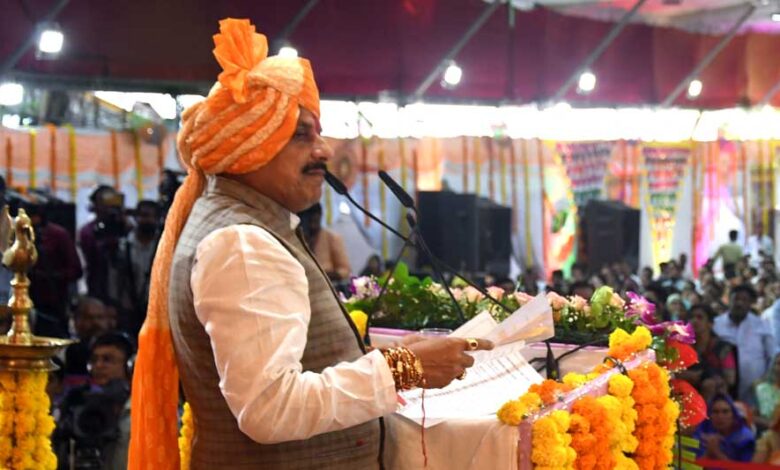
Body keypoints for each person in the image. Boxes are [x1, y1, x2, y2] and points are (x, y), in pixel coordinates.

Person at [129, 18, 492, 469]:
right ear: (247, 144)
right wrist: (402, 369)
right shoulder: (242, 243)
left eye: (318, 133)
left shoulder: (248, 226)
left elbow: (286, 371)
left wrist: (389, 358)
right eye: (301, 135)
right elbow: (270, 407)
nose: (323, 150)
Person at [25, 202, 83, 338]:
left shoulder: (58, 235)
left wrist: (50, 276)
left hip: (53, 301)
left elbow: (75, 270)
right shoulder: (18, 234)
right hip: (25, 299)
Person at [714, 284, 777, 404]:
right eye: (736, 299)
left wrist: (765, 380)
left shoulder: (761, 324)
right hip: (723, 387)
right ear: (729, 300)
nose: (739, 303)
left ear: (750, 303)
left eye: (744, 300)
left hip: (754, 389)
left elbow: (772, 355)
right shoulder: (717, 324)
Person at [107, 200, 162, 336]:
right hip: (128, 308)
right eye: (143, 215)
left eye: (150, 216)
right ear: (136, 217)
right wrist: (114, 304)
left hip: (157, 308)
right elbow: (114, 277)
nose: (147, 220)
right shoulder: (123, 245)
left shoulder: (164, 244)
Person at [78, 186, 130, 301]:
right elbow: (93, 255)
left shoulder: (125, 227)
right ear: (95, 206)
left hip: (126, 291)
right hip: (99, 289)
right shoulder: (88, 231)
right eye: (104, 202)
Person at [680, 304, 736, 396]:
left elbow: (730, 379)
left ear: (710, 324)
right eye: (691, 317)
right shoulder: (682, 346)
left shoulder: (722, 348)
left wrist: (704, 376)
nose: (695, 320)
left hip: (716, 396)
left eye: (700, 317)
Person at [694, 393, 756, 463]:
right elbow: (695, 466)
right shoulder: (703, 434)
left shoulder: (745, 438)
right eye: (715, 412)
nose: (720, 416)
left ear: (733, 415)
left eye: (725, 412)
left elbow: (744, 467)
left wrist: (716, 452)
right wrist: (709, 452)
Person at [298, 202, 351, 282]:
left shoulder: (332, 238)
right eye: (308, 219)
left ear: (320, 216)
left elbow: (345, 270)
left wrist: (327, 275)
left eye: (314, 219)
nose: (311, 223)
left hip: (329, 283)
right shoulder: (297, 238)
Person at [755, 354, 780, 429]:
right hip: (767, 431)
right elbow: (752, 416)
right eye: (778, 363)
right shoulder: (761, 389)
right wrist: (769, 423)